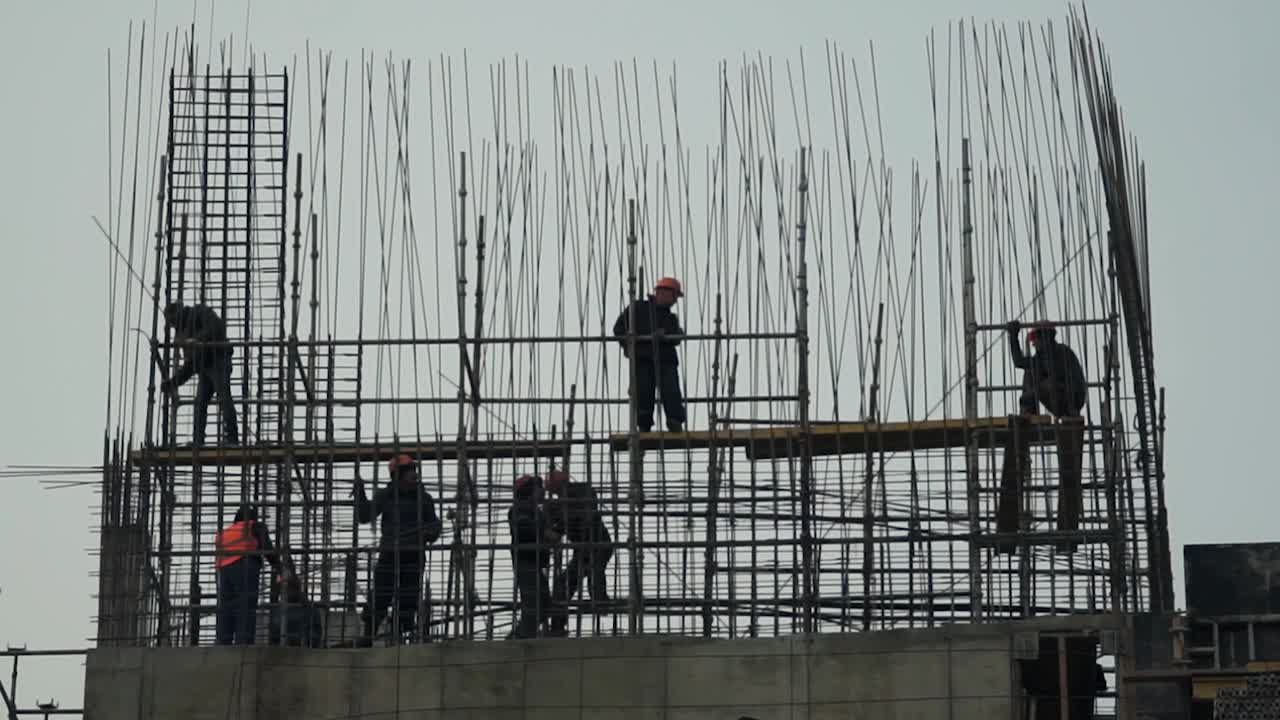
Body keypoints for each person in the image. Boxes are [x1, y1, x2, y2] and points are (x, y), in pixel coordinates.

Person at [355, 454, 442, 645]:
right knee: (380, 595)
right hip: (390, 553)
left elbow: (434, 527)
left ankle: (399, 636)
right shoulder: (386, 495)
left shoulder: (424, 498)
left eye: (414, 470)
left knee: (408, 599)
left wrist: (429, 532)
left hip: (414, 555)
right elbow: (364, 516)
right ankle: (369, 635)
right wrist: (360, 494)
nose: (414, 474)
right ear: (398, 475)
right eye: (409, 470)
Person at [612, 277, 687, 432]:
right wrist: (629, 345)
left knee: (671, 391)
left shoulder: (670, 318)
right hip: (643, 358)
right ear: (664, 292)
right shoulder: (638, 309)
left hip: (665, 359)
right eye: (674, 296)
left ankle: (674, 421)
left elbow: (677, 337)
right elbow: (619, 329)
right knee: (643, 391)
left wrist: (666, 334)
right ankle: (644, 424)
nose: (674, 301)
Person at [160, 301, 239, 445]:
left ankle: (232, 439)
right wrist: (173, 382)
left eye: (172, 321)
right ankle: (198, 441)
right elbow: (190, 365)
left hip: (219, 359)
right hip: (205, 367)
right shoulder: (181, 334)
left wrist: (198, 339)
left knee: (223, 396)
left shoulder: (198, 312)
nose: (171, 325)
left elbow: (218, 326)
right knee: (200, 403)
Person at [544, 469, 612, 633]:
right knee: (563, 584)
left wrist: (556, 518)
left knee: (595, 575)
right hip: (582, 551)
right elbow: (557, 527)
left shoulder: (583, 490)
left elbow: (582, 514)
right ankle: (557, 626)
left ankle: (601, 603)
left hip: (598, 543)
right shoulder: (558, 505)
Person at [213, 505, 282, 645]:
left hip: (223, 570)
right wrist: (280, 569)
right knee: (246, 604)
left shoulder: (224, 533)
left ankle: (223, 641)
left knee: (227, 606)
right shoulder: (254, 526)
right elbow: (267, 548)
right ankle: (243, 642)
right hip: (244, 565)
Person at [508, 474, 565, 639]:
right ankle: (520, 638)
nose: (543, 492)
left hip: (534, 562)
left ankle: (522, 634)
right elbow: (523, 528)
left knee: (544, 603)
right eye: (539, 488)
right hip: (526, 563)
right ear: (529, 491)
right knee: (533, 603)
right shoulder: (520, 508)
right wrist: (545, 533)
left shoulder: (536, 511)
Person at [1006, 320, 1086, 418]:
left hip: (1071, 401)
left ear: (1045, 338)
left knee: (1042, 382)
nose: (1033, 343)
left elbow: (1073, 384)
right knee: (1030, 372)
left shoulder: (1063, 353)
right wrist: (1013, 336)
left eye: (1034, 338)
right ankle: (1029, 413)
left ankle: (1029, 410)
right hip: (1058, 397)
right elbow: (1019, 362)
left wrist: (1032, 394)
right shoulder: (1041, 357)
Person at [268, 571, 326, 648]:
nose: (283, 593)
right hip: (302, 650)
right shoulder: (311, 608)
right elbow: (316, 635)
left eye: (286, 589)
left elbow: (274, 635)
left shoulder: (280, 610)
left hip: (290, 650)